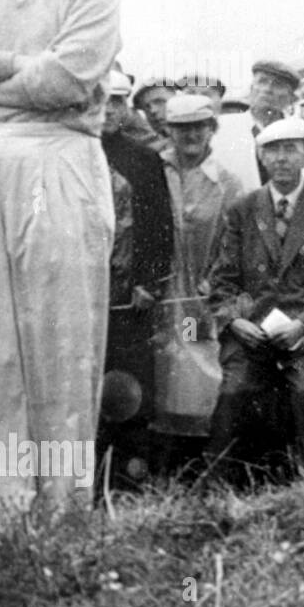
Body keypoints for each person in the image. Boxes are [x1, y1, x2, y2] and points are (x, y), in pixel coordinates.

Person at [0, 0, 125, 514]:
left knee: (62, 342)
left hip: (63, 160)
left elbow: (70, 80)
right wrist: (30, 76)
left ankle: (64, 505)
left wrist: (0, 71)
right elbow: (42, 79)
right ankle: (7, 504)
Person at [204, 118, 304, 483]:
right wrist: (234, 321)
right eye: (273, 150)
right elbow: (221, 280)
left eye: (290, 149)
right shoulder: (243, 208)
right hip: (251, 331)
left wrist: (303, 325)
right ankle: (218, 484)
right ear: (261, 157)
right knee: (232, 391)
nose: (282, 159)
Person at [150, 94, 243, 470]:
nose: (190, 135)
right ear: (168, 130)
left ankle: (195, 470)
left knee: (196, 372)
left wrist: (214, 285)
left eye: (198, 126)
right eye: (181, 127)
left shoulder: (226, 182)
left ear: (212, 129)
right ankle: (157, 473)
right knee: (158, 374)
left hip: (198, 298)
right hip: (159, 295)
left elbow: (236, 241)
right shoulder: (154, 170)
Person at [100, 69, 176, 457]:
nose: (108, 109)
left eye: (117, 101)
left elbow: (162, 228)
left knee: (130, 391)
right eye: (102, 98)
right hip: (81, 299)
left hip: (131, 301)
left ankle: (131, 479)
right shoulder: (68, 154)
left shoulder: (144, 159)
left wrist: (151, 282)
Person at [214, 59, 304, 194]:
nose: (267, 89)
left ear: (291, 98)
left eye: (278, 85)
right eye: (262, 81)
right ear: (251, 88)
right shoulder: (222, 128)